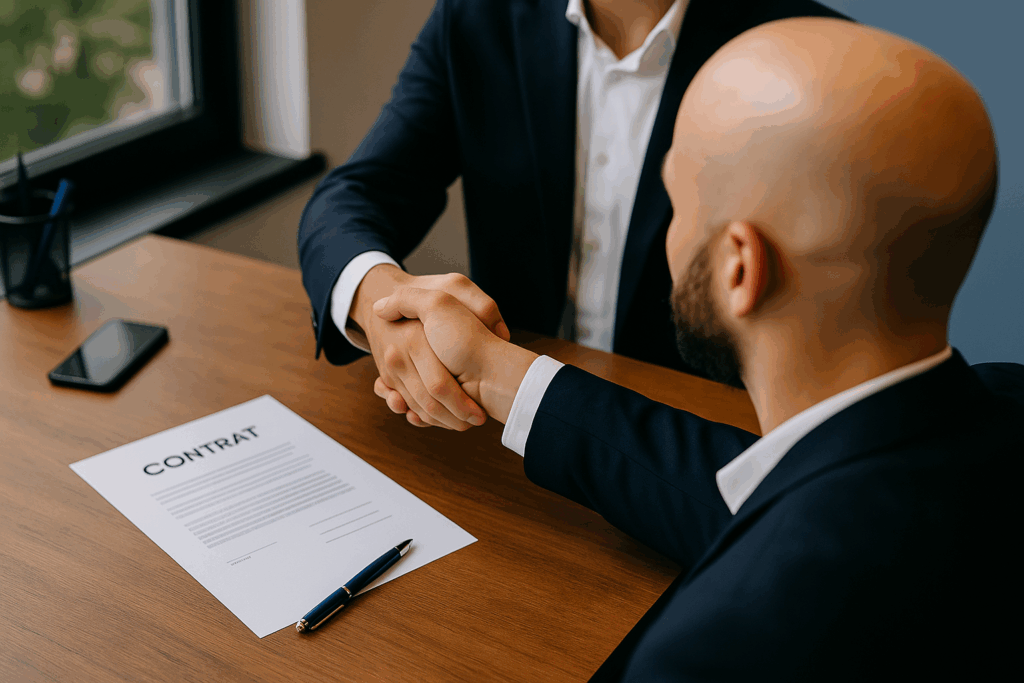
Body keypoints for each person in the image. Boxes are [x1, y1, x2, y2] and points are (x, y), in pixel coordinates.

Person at [370, 17, 1022, 679]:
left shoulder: (709, 648)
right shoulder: (1001, 405)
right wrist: (491, 369)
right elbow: (762, 490)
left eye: (678, 199)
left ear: (741, 269)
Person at [298, 0, 848, 432]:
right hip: (497, 418)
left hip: (690, 437)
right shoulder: (475, 14)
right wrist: (378, 299)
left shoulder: (804, 52)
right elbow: (355, 193)